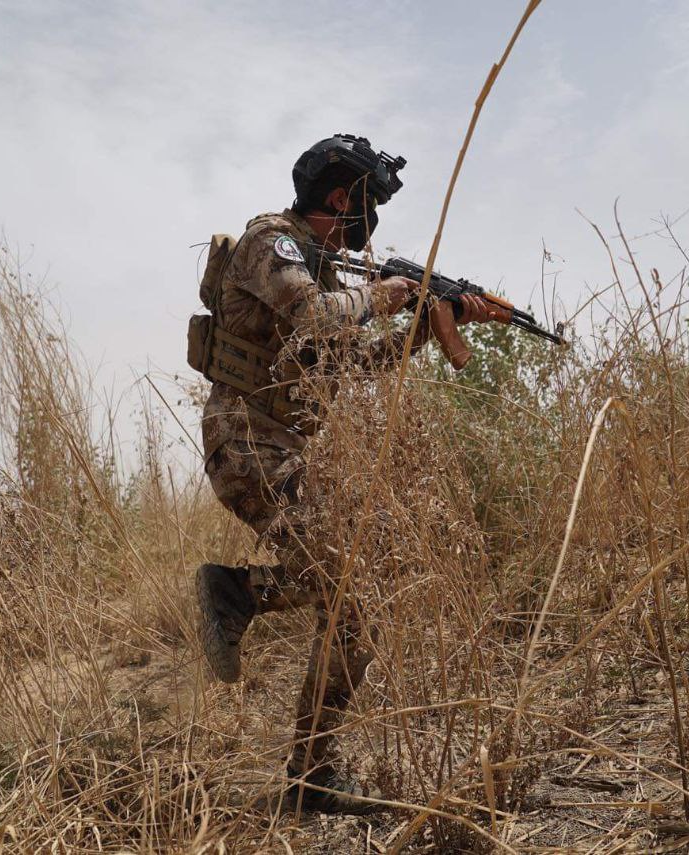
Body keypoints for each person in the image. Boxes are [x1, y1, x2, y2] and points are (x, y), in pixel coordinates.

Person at [190, 133, 493, 814]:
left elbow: (353, 365)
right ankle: (307, 764)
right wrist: (385, 293)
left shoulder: (327, 276)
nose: (369, 228)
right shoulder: (274, 242)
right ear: (340, 198)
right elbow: (312, 317)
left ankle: (309, 764)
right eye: (366, 205)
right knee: (353, 588)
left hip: (285, 450)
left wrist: (424, 325)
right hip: (246, 443)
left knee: (358, 588)